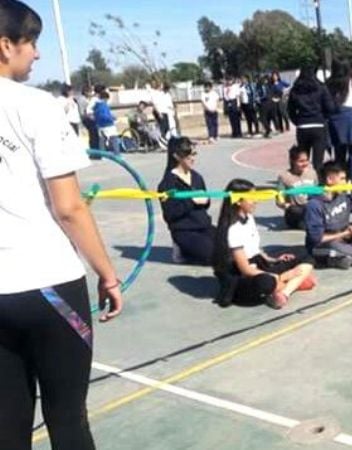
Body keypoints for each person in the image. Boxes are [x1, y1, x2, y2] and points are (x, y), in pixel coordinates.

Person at [0, 3, 124, 449]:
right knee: (67, 418)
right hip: (47, 285)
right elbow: (68, 207)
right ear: (6, 45)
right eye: (31, 43)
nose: (35, 54)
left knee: (6, 422)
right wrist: (107, 274)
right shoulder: (36, 106)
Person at [213, 178, 316, 309]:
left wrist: (273, 259)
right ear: (238, 201)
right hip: (247, 276)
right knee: (266, 282)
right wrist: (280, 276)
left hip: (259, 264)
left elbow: (254, 250)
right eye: (251, 198)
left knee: (305, 254)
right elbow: (245, 269)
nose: (255, 201)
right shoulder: (233, 229)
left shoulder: (248, 217)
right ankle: (287, 283)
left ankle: (284, 292)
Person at [157, 137, 215, 265]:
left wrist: (206, 200)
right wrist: (191, 200)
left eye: (194, 154)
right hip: (184, 230)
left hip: (204, 226)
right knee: (215, 256)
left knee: (231, 246)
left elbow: (204, 205)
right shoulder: (168, 183)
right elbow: (170, 215)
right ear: (177, 156)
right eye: (188, 155)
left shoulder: (196, 177)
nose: (193, 158)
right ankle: (182, 249)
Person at [288, 65, 336, 170]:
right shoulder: (321, 87)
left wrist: (298, 121)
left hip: (302, 126)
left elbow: (290, 110)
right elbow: (330, 107)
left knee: (303, 158)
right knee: (318, 161)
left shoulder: (295, 90)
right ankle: (318, 180)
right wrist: (323, 118)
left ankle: (304, 179)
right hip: (318, 125)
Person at [276, 146, 319, 229]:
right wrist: (285, 205)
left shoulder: (312, 173)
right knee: (295, 211)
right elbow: (279, 199)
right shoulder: (284, 176)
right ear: (292, 161)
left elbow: (318, 191)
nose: (305, 164)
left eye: (306, 160)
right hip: (296, 210)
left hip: (311, 207)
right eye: (301, 161)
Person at [93, 90, 122, 154]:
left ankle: (103, 154)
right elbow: (105, 116)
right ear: (105, 98)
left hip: (100, 126)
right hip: (108, 125)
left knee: (102, 140)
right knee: (114, 139)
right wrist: (113, 119)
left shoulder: (96, 106)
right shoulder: (103, 106)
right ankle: (117, 153)